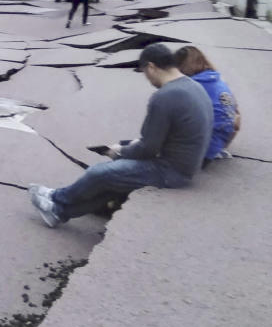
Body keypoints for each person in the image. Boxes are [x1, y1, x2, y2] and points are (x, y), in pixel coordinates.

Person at [28, 44, 213, 227]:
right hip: (187, 165)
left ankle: (55, 197)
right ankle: (58, 213)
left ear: (151, 67)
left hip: (170, 170)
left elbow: (148, 148)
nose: (147, 79)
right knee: (113, 182)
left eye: (144, 73)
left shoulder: (165, 96)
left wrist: (119, 152)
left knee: (100, 173)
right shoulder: (194, 86)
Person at [174, 46, 239, 164]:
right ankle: (215, 148)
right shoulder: (216, 79)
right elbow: (236, 114)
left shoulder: (193, 84)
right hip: (222, 139)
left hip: (201, 149)